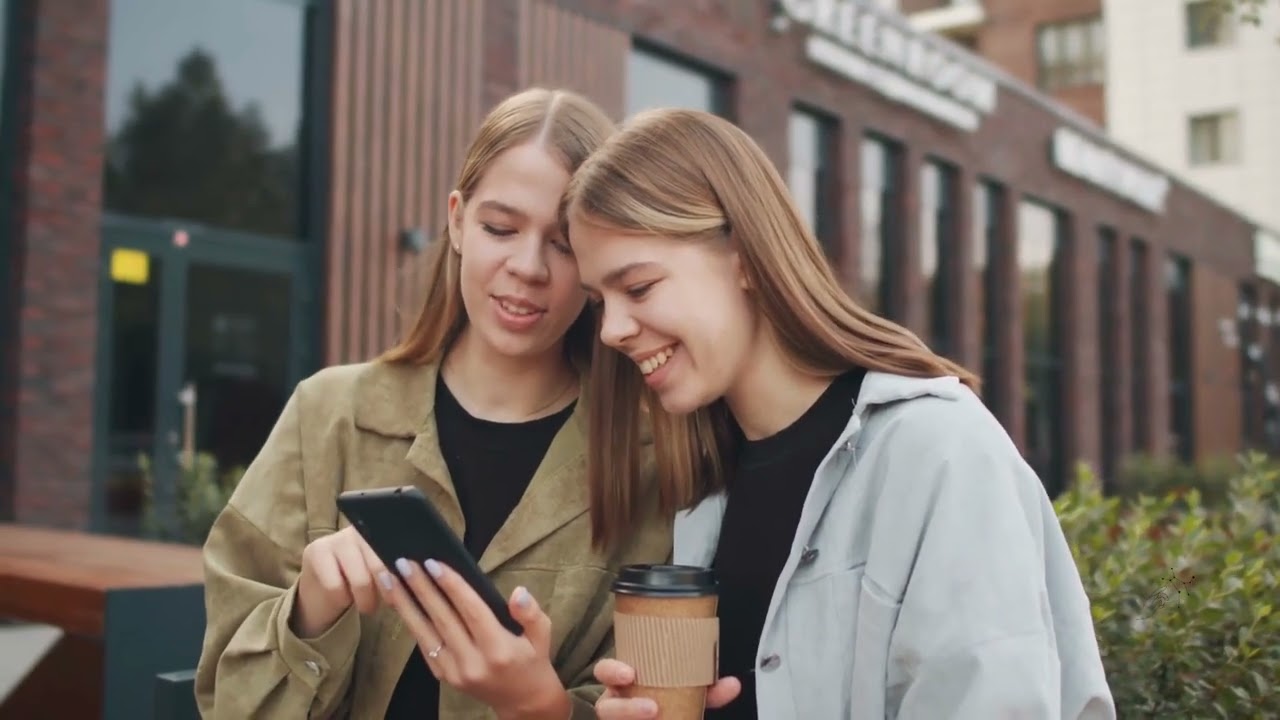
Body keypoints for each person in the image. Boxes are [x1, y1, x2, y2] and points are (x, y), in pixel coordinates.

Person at [563, 108, 1116, 720]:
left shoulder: (938, 451)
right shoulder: (703, 492)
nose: (612, 330)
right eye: (598, 302)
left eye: (638, 288)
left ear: (743, 256)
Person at [194, 88, 671, 719]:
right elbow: (228, 700)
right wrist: (309, 607)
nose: (527, 267)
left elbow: (656, 702)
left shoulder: (650, 463)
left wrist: (545, 707)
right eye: (500, 228)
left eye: (563, 243)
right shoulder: (328, 415)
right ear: (455, 220)